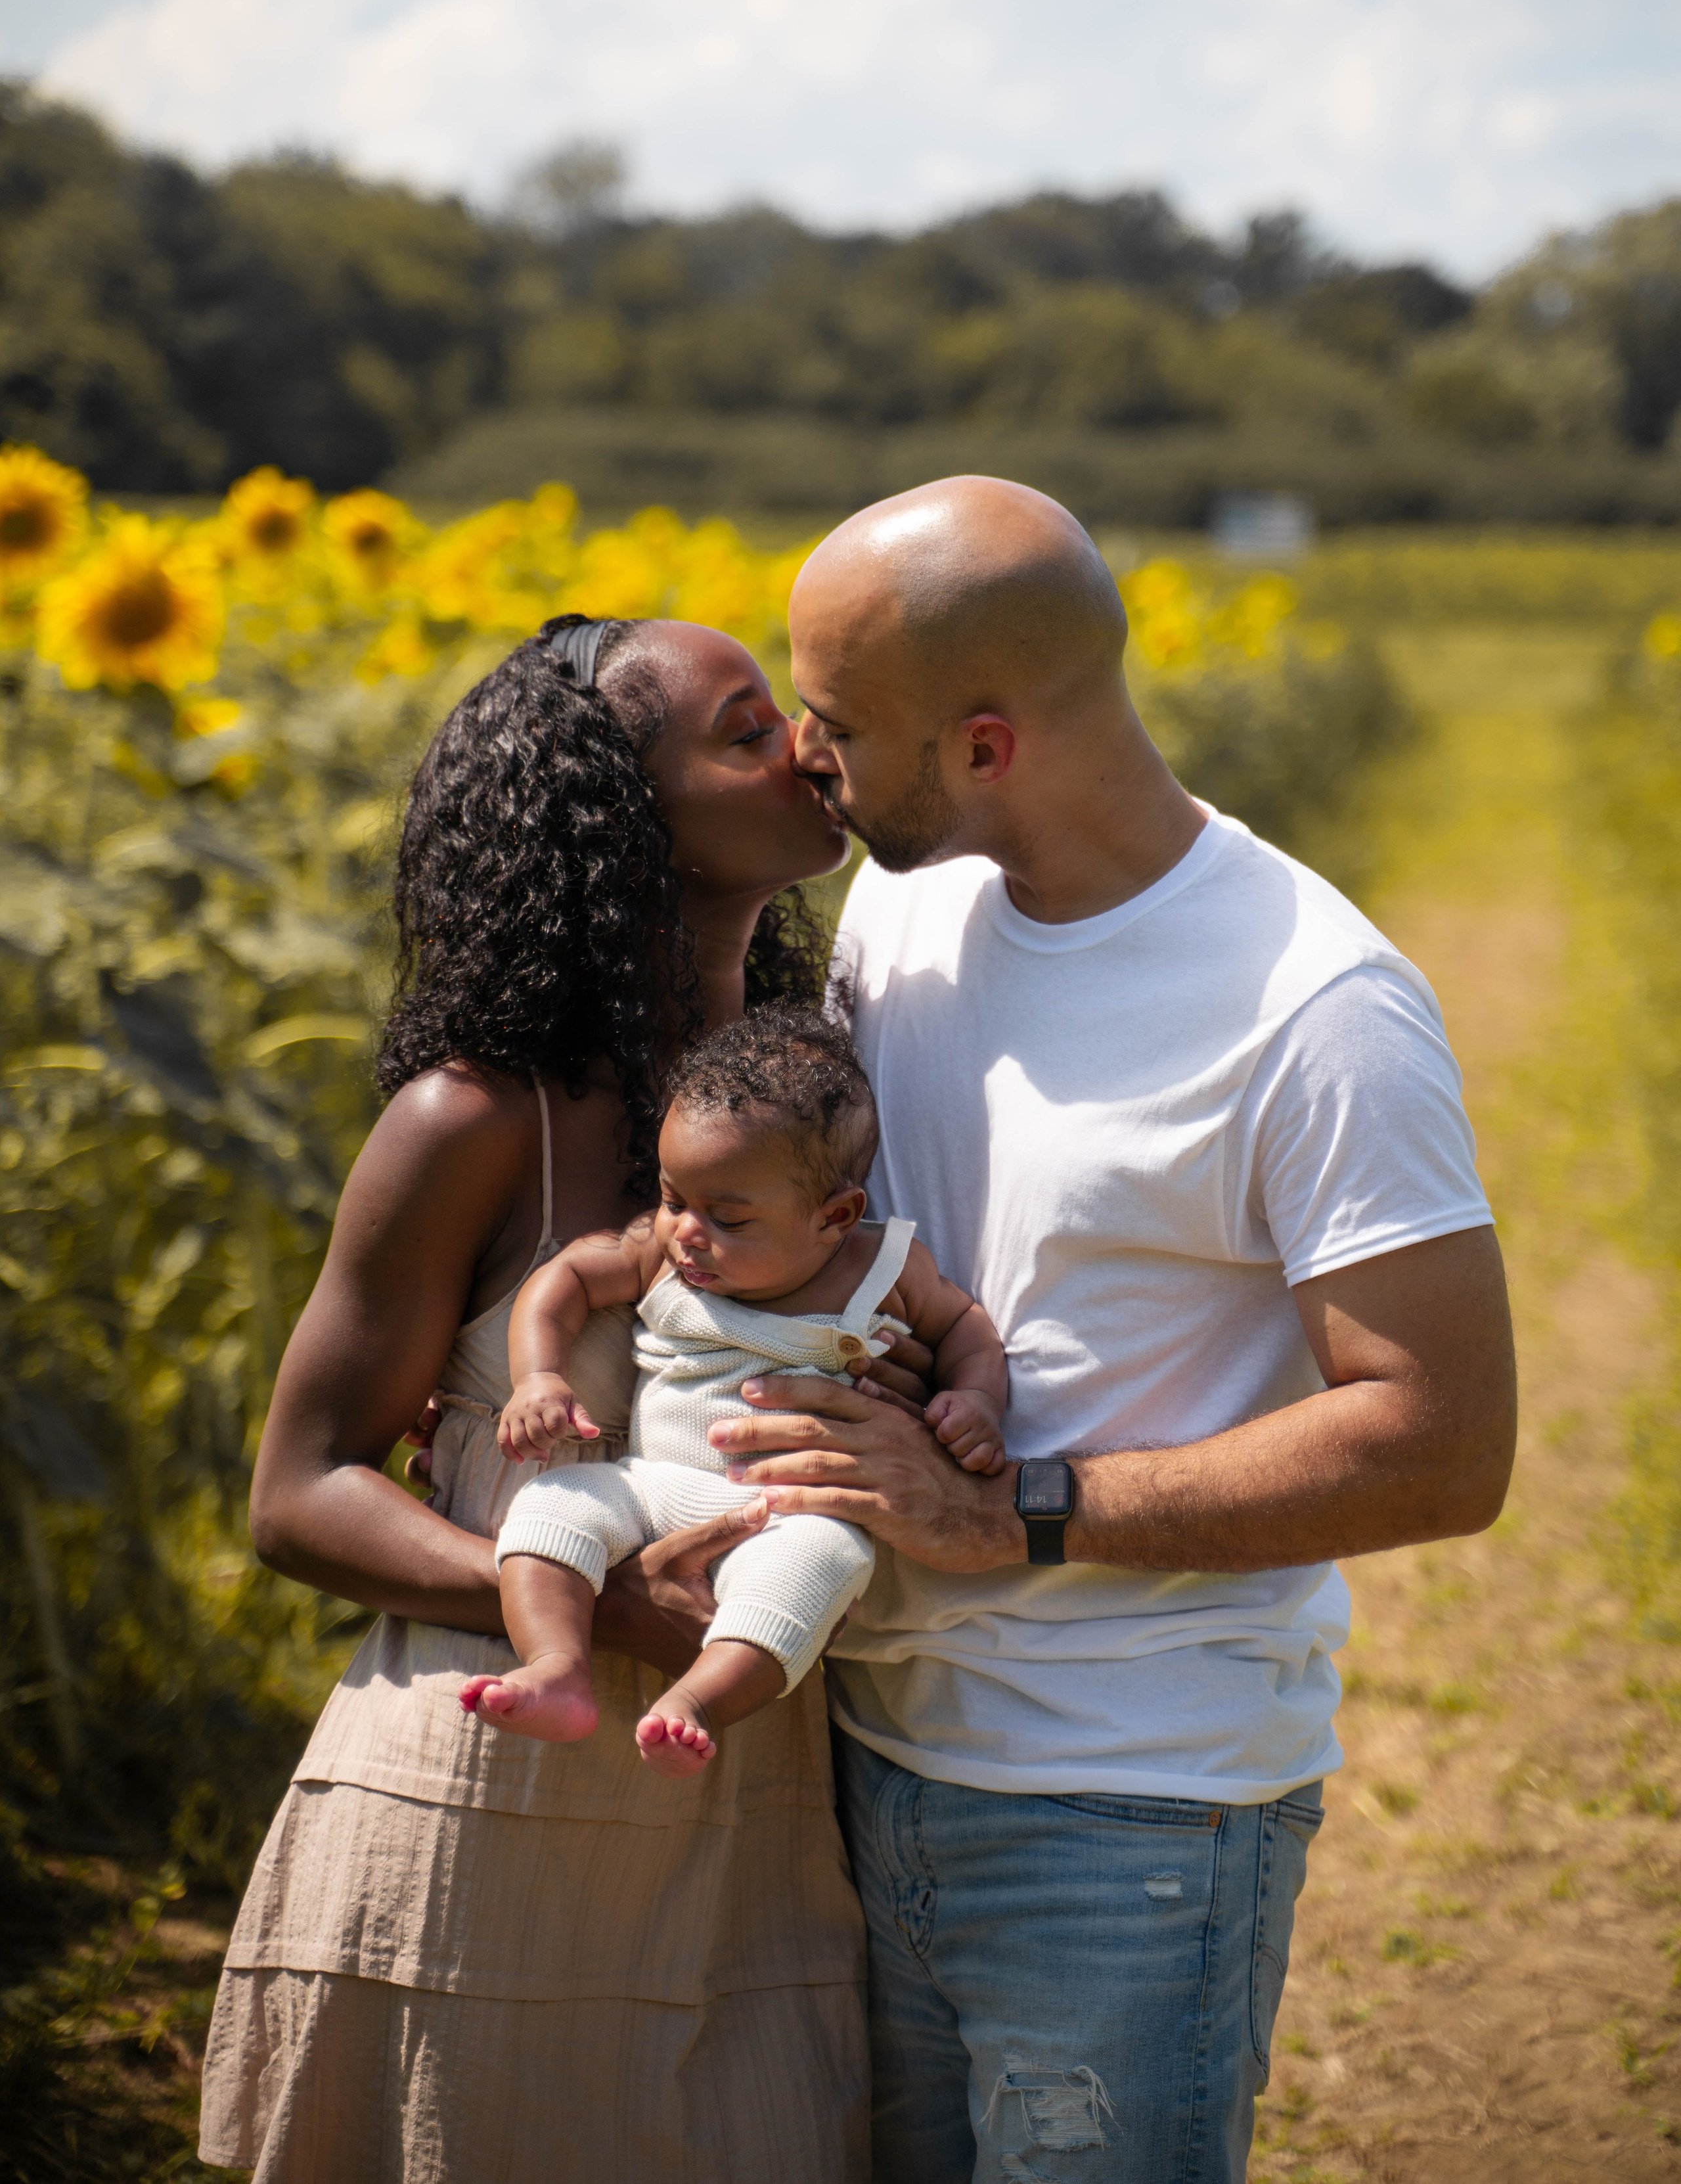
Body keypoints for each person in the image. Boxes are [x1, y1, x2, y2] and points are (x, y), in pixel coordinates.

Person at [709, 478, 1519, 2184]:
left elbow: (1441, 1437)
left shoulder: (1315, 1003)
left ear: (988, 743)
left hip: (1131, 1806)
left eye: (840, 719)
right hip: (857, 1754)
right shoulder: (902, 913)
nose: (804, 750)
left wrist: (1027, 1505)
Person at [197, 612, 887, 2184]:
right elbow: (296, 1489)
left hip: (746, 1823)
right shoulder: (475, 1118)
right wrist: (596, 1595)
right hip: (477, 1813)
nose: (803, 748)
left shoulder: (828, 1103)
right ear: (614, 813)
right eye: (739, 728)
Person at [460, 1005, 1008, 1772]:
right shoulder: (659, 1252)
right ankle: (557, 1664)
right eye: (674, 1196)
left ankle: (696, 1703)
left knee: (819, 1565)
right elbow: (566, 1281)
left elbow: (967, 1329)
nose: (686, 1230)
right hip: (651, 1487)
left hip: (790, 1511)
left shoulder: (880, 1269)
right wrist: (538, 1375)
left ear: (835, 1216)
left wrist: (975, 1401)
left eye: (727, 1217)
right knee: (551, 1507)